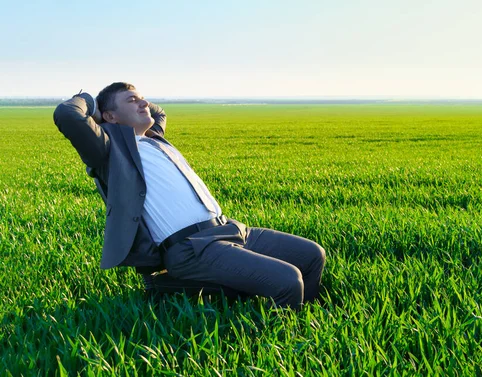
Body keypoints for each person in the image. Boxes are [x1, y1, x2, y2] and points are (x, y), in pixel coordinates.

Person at [53, 82, 326, 310]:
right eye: (132, 100)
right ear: (110, 117)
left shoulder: (154, 137)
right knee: (288, 280)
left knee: (313, 255)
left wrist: (134, 103)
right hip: (192, 248)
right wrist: (92, 103)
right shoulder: (110, 151)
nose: (144, 103)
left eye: (143, 98)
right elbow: (68, 114)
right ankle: (282, 339)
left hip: (231, 229)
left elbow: (158, 111)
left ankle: (309, 314)